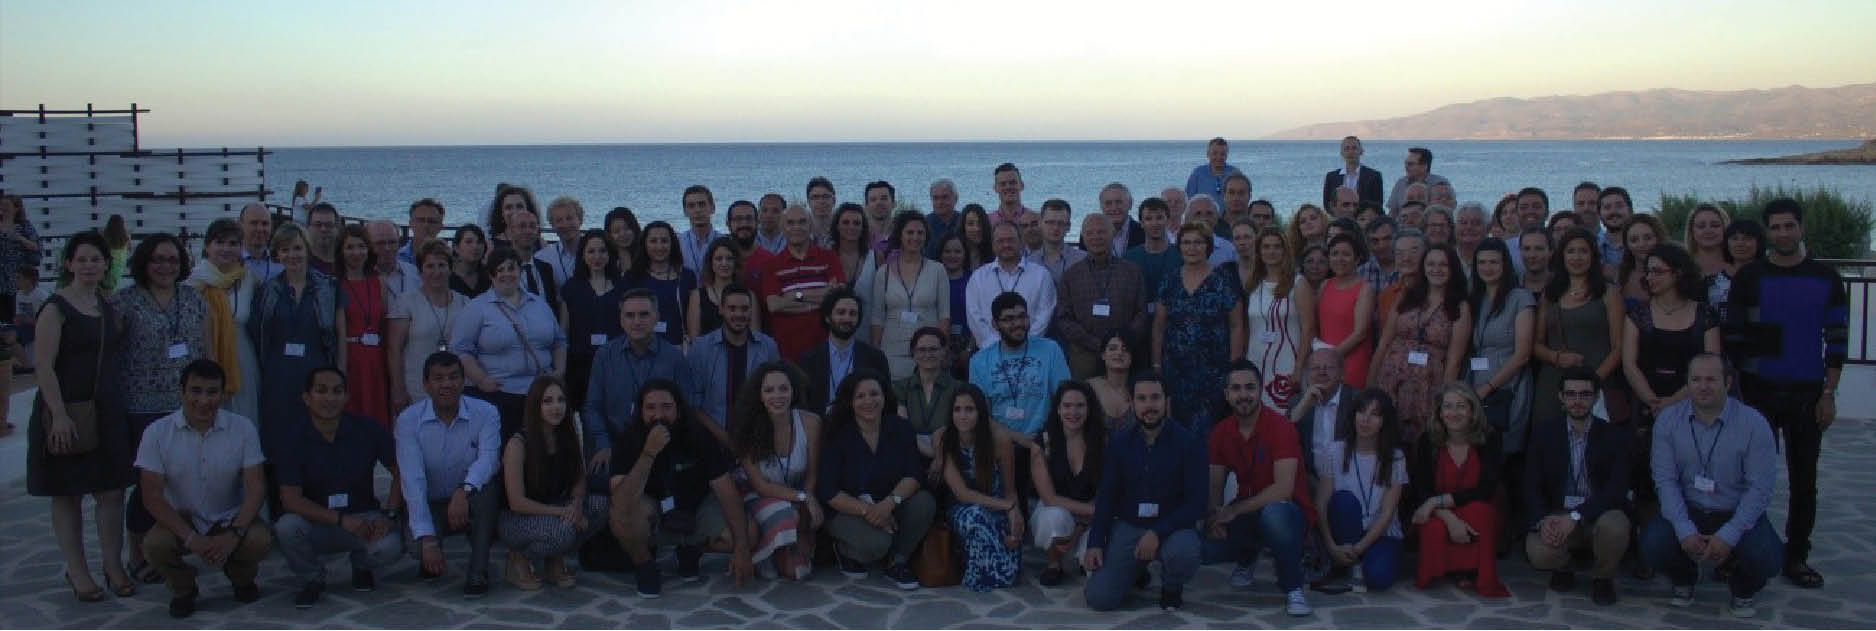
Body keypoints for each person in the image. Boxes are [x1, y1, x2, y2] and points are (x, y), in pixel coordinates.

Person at [1723, 199, 1845, 590]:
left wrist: (1829, 393)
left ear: (1801, 228)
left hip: (1807, 392)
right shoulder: (1751, 278)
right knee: (1745, 477)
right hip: (1757, 392)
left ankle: (1797, 555)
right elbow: (1735, 338)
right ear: (1767, 233)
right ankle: (1740, 550)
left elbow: (1837, 340)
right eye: (1775, 228)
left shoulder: (1826, 278)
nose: (1782, 234)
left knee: (1803, 478)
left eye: (1789, 226)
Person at [30, 230, 137, 602]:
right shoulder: (56, 308)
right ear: (68, 264)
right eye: (82, 259)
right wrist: (58, 415)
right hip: (67, 408)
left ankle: (113, 565)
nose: (90, 265)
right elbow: (43, 366)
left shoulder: (105, 304)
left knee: (111, 491)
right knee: (68, 493)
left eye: (96, 259)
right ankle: (77, 571)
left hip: (106, 408)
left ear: (106, 264)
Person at [136, 360, 271, 618]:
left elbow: (255, 487)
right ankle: (183, 589)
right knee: (155, 545)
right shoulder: (156, 433)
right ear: (182, 391)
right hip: (182, 518)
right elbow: (152, 496)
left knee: (259, 540)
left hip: (228, 515)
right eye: (196, 391)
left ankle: (241, 578)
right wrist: (191, 538)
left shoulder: (242, 428)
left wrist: (234, 534)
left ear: (223, 393)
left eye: (212, 392)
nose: (204, 400)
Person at [111, 233, 209, 580]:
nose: (166, 266)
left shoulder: (193, 298)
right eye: (158, 260)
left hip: (187, 406)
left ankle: (173, 546)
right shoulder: (124, 302)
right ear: (144, 263)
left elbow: (204, 346)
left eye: (172, 259)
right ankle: (137, 553)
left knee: (181, 480)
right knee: (147, 483)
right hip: (142, 407)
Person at [607, 378, 758, 596]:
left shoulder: (698, 435)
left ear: (678, 409)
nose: (658, 415)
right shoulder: (628, 439)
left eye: (666, 407)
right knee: (621, 516)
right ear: (640, 411)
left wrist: (742, 548)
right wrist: (648, 453)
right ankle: (645, 565)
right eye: (650, 408)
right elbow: (620, 501)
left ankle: (691, 548)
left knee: (749, 533)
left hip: (697, 509)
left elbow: (727, 492)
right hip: (652, 513)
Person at [276, 366, 404, 608]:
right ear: (306, 397)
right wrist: (340, 520)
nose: (329, 398)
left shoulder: (368, 428)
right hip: (319, 522)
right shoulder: (292, 437)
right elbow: (290, 500)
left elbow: (401, 470)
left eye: (337, 391)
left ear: (346, 397)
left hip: (364, 518)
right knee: (286, 527)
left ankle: (362, 565)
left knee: (391, 546)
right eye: (321, 391)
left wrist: (388, 514)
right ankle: (312, 578)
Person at [1082, 372, 1205, 612]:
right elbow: (1107, 496)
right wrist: (1095, 543)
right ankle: (1135, 570)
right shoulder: (1118, 444)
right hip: (1130, 524)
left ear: (1166, 401)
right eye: (1142, 399)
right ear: (1132, 403)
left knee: (1184, 552)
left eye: (1155, 398)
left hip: (1173, 525)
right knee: (1100, 599)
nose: (1149, 406)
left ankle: (1171, 586)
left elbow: (1197, 503)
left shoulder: (1189, 443)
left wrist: (1157, 532)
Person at [1206, 362, 1315, 616]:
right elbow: (1215, 485)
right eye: (1236, 388)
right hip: (1249, 510)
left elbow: (1284, 489)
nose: (1243, 395)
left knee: (1273, 514)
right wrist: (1215, 518)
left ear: (1260, 391)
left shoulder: (1281, 427)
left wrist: (1234, 511)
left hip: (1289, 513)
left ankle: (1293, 588)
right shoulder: (1220, 433)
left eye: (1249, 387)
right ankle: (1247, 558)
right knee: (1205, 547)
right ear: (1226, 395)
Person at [396, 351, 503, 598]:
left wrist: (464, 490)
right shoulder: (408, 420)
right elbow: (412, 480)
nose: (447, 384)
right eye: (438, 378)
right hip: (431, 502)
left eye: (454, 377)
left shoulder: (486, 412)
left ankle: (478, 571)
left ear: (464, 381)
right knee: (416, 546)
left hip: (468, 498)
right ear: (425, 385)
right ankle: (432, 549)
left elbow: (489, 460)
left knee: (487, 492)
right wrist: (427, 538)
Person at [1524, 370, 1632, 606]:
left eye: (1585, 394)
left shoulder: (1614, 436)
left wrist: (1577, 515)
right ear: (1561, 397)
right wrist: (1543, 521)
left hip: (1599, 512)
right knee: (1538, 553)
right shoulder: (1544, 433)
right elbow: (1532, 484)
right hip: (1559, 512)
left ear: (1595, 398)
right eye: (1571, 394)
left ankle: (1603, 577)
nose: (1577, 401)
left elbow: (1616, 489)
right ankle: (1565, 568)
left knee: (1616, 526)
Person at [499, 376, 606, 591]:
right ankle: (518, 557)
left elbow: (579, 478)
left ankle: (554, 559)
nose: (556, 407)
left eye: (561, 400)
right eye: (547, 401)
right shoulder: (518, 444)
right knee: (564, 531)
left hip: (558, 508)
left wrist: (575, 505)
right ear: (535, 405)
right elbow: (517, 502)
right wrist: (562, 512)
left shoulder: (567, 436)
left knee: (601, 505)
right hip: (519, 517)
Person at [249, 224, 346, 461]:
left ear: (307, 249)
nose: (292, 255)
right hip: (277, 378)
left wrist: (341, 374)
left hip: (317, 374)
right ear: (277, 254)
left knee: (316, 438)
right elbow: (257, 335)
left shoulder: (328, 287)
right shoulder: (267, 290)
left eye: (297, 248)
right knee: (277, 440)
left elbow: (341, 336)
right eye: (285, 250)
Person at [450, 246, 567, 438]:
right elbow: (460, 349)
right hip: (499, 393)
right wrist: (481, 379)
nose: (506, 274)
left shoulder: (539, 304)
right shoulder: (477, 307)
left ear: (519, 271)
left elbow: (559, 341)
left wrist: (559, 371)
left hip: (539, 393)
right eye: (500, 270)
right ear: (491, 275)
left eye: (511, 268)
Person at [586, 289, 707, 473]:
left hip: (665, 448)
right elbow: (593, 406)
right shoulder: (605, 357)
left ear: (656, 317)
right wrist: (603, 444)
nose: (637, 321)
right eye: (630, 315)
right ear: (621, 319)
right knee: (598, 479)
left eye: (644, 314)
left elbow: (687, 407)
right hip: (616, 447)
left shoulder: (675, 359)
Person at [1409, 384, 1509, 597]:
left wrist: (1438, 501)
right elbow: (1422, 488)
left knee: (1480, 512)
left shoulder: (1489, 438)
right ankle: (1447, 569)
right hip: (1438, 510)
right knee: (1433, 526)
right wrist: (1447, 516)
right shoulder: (1429, 440)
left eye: (1461, 406)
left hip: (1476, 504)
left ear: (1473, 411)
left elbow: (1486, 489)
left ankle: (1474, 571)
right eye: (1448, 407)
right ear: (1440, 412)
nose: (1453, 413)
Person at [727, 363, 823, 581]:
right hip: (755, 494)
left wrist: (808, 502)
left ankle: (782, 544)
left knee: (796, 572)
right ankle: (769, 547)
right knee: (788, 514)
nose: (777, 396)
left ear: (793, 391)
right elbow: (761, 485)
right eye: (769, 390)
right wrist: (802, 497)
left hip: (796, 495)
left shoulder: (811, 422)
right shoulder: (746, 427)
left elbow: (812, 475)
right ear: (759, 395)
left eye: (783, 389)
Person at [1312, 388, 1408, 593]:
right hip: (1346, 528)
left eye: (1374, 414)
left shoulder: (1395, 457)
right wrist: (1330, 545)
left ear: (1385, 421)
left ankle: (1354, 561)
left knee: (1378, 579)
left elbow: (1387, 512)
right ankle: (1347, 562)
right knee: (1343, 501)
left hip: (1382, 534)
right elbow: (1321, 504)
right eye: (1362, 412)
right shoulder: (1335, 450)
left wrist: (1360, 548)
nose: (1365, 420)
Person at [1371, 243, 1471, 440]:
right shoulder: (1405, 296)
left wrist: (1444, 402)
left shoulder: (1460, 307)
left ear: (1453, 269)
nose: (1436, 270)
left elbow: (1454, 360)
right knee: (1386, 439)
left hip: (1429, 388)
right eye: (1431, 264)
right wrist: (1371, 383)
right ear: (1423, 268)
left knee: (1422, 445)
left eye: (1443, 265)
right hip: (1391, 380)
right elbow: (1383, 343)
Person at [1153, 223, 1244, 429]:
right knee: (1177, 430)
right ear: (1179, 246)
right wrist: (1156, 365)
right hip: (1176, 372)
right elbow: (1159, 327)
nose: (1191, 248)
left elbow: (1237, 325)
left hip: (1215, 371)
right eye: (1186, 242)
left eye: (1197, 242)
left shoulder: (1224, 280)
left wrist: (1233, 367)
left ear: (1208, 246)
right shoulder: (1170, 280)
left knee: (1212, 430)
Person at [1532, 229, 1626, 425]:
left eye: (1583, 251)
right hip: (1553, 386)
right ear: (1562, 256)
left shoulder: (1609, 293)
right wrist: (1557, 357)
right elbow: (1536, 344)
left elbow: (1619, 347)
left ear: (1593, 256)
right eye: (1571, 251)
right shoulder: (1550, 294)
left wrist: (1590, 383)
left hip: (1596, 383)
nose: (1577, 257)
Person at [938, 384, 1023, 591]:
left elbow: (1010, 490)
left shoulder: (999, 440)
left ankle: (986, 568)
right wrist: (1007, 506)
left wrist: (1015, 517)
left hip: (997, 507)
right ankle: (979, 575)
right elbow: (962, 494)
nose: (963, 416)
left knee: (1010, 551)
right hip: (962, 509)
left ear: (981, 412)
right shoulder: (943, 439)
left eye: (969, 409)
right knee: (977, 517)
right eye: (957, 410)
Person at [1623, 242, 1722, 418]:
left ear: (1678, 272)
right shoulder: (1637, 315)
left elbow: (1712, 364)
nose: (1650, 277)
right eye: (1648, 271)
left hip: (1696, 404)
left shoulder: (1705, 314)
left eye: (1658, 271)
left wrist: (1673, 401)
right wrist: (1653, 402)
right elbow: (1630, 365)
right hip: (1647, 406)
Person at [187, 218, 264, 423]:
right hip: (203, 357)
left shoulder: (250, 279)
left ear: (241, 247)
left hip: (243, 360)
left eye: (233, 243)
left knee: (243, 418)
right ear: (207, 246)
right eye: (219, 242)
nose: (226, 249)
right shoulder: (193, 283)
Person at [1030, 381, 1106, 586]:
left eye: (1080, 406)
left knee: (1095, 570)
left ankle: (1084, 558)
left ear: (1089, 409)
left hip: (1092, 512)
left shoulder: (1102, 441)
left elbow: (1106, 491)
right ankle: (1054, 563)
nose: (1073, 412)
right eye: (1067, 406)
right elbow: (1049, 498)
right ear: (1058, 409)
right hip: (1060, 508)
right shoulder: (1043, 443)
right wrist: (1093, 510)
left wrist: (1083, 524)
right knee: (1053, 517)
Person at [1053, 214, 1148, 379]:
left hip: (1124, 352)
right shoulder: (1071, 275)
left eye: (1102, 232)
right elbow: (1063, 318)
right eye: (1090, 233)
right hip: (1084, 354)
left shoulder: (1132, 272)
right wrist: (1095, 343)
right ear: (1082, 236)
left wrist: (1121, 342)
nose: (1096, 237)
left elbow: (1141, 313)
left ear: (1112, 234)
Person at [969, 291, 1071, 442]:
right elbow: (981, 414)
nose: (1018, 324)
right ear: (995, 324)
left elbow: (1064, 398)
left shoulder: (1050, 350)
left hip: (1045, 439)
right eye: (1009, 319)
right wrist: (1021, 440)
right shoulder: (979, 361)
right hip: (1000, 442)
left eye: (1022, 316)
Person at [1466, 238, 1536, 452]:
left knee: (1503, 451)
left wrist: (1488, 388)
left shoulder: (1520, 298)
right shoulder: (1473, 299)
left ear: (1505, 264)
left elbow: (1522, 354)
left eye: (1493, 262)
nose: (1487, 268)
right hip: (1474, 384)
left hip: (1508, 387)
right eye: (1482, 262)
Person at [388, 241, 469, 414]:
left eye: (442, 265)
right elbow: (394, 349)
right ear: (420, 270)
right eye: (430, 266)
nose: (436, 272)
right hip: (416, 389)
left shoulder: (465, 303)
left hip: (455, 389)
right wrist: (397, 388)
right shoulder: (405, 302)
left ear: (450, 268)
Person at [759, 205, 846, 361]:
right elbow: (775, 305)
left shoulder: (828, 258)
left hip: (826, 348)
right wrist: (818, 304)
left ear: (810, 226)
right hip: (787, 350)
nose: (796, 227)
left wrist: (795, 295)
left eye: (802, 222)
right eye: (790, 223)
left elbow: (838, 297)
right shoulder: (772, 265)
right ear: (783, 228)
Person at [870, 212, 949, 378]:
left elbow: (944, 315)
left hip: (929, 351)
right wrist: (875, 352)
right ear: (900, 235)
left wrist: (943, 351)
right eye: (910, 232)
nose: (915, 237)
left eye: (920, 233)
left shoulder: (937, 270)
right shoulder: (883, 273)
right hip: (891, 351)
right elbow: (877, 317)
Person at [689, 285, 779, 431]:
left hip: (757, 436)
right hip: (711, 438)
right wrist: (725, 440)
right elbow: (693, 403)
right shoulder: (701, 349)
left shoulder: (768, 347)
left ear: (751, 311)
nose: (739, 314)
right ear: (721, 310)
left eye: (744, 309)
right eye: (732, 308)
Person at [1243, 228, 1313, 410]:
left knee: (1285, 413)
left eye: (1277, 246)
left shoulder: (1298, 283)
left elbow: (1308, 328)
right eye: (1266, 247)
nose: (1271, 251)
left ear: (1285, 250)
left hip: (1287, 362)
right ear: (1259, 251)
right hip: (1256, 359)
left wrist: (1299, 367)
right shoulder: (1252, 284)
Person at [965, 221, 1055, 348]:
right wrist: (997, 347)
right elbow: (974, 317)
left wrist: (1023, 345)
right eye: (1000, 241)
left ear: (1021, 242)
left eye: (1011, 240)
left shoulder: (1041, 275)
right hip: (990, 352)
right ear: (993, 245)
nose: (1006, 245)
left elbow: (1044, 315)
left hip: (1031, 350)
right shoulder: (978, 278)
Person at [801, 285, 890, 414]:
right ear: (827, 317)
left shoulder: (876, 358)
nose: (847, 318)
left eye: (852, 313)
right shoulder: (809, 359)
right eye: (841, 312)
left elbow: (886, 400)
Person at [336, 225, 392, 427]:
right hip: (351, 358)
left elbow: (384, 326)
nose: (356, 253)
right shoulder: (336, 284)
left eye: (361, 246)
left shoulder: (380, 283)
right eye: (350, 247)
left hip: (376, 358)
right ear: (341, 252)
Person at [1317, 234, 1375, 388]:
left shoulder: (1365, 288)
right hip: (1323, 364)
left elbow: (1360, 333)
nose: (1340, 259)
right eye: (1335, 254)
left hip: (1350, 364)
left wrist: (1330, 357)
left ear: (1357, 259)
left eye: (1346, 254)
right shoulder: (1324, 285)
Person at [893, 327, 960, 459]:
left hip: (950, 454)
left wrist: (941, 457)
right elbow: (904, 429)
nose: (928, 355)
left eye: (933, 349)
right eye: (922, 350)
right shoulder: (900, 387)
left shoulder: (959, 388)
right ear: (913, 353)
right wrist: (934, 456)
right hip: (910, 453)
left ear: (943, 352)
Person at [626, 221, 694, 346]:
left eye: (664, 241)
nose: (659, 246)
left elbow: (692, 321)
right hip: (641, 349)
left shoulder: (687, 277)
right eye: (653, 241)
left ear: (672, 244)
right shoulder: (633, 277)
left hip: (677, 350)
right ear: (645, 244)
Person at [1290, 348, 1358, 469]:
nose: (1322, 372)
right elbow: (1283, 440)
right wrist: (1302, 407)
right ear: (1308, 374)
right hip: (1311, 481)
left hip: (1348, 478)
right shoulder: (1297, 402)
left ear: (1342, 374)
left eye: (1330, 368)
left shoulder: (1357, 401)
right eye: (1315, 368)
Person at [1124, 198, 1180, 317]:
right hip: (1139, 320)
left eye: (1159, 218)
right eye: (1148, 219)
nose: (1155, 223)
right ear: (1141, 223)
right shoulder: (1129, 257)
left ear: (1167, 220)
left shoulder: (1180, 255)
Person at [687, 237, 748, 340]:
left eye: (729, 259)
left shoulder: (749, 296)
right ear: (711, 263)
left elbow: (756, 339)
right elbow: (694, 340)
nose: (724, 263)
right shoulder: (697, 296)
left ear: (735, 262)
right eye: (719, 259)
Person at [1710, 218, 1765, 324]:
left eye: (1747, 238)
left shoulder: (1770, 278)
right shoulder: (1712, 282)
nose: (1740, 243)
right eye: (1734, 239)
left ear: (1759, 243)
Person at [936, 234, 976, 376]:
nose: (952, 256)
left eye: (957, 251)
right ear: (940, 254)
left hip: (969, 347)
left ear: (965, 254)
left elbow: (979, 316)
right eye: (947, 251)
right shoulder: (932, 280)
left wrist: (969, 349)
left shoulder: (974, 280)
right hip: (939, 349)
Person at [1085, 330, 1138, 428]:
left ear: (1132, 356)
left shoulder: (1142, 389)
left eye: (1125, 349)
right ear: (1103, 355)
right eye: (1113, 348)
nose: (1119, 353)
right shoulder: (1089, 388)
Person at [1026, 199, 1087, 281]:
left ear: (1068, 226)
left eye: (1061, 223)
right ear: (1040, 223)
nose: (1055, 228)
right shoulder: (1029, 262)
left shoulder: (1082, 260)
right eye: (1050, 222)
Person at [1082, 182, 1147, 258]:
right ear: (1101, 207)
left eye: (1119, 202)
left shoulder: (1144, 232)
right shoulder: (1089, 234)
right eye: (1108, 203)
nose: (1114, 208)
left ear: (1130, 204)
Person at [1616, 213, 1668, 306]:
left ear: (1658, 238)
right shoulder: (1621, 278)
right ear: (1626, 245)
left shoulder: (1673, 274)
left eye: (1647, 238)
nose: (1642, 244)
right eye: (1634, 240)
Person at [1321, 136, 1383, 209]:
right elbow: (1327, 204)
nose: (1350, 152)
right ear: (1342, 153)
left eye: (1354, 148)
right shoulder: (1331, 177)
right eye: (1347, 148)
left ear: (1361, 151)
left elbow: (1377, 204)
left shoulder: (1374, 176)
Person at [365, 220, 421, 300]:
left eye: (392, 242)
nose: (387, 248)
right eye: (380, 243)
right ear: (367, 245)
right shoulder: (359, 277)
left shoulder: (415, 274)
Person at [675, 185, 722, 276]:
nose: (697, 210)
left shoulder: (724, 241)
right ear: (685, 211)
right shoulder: (678, 243)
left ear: (713, 208)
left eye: (702, 204)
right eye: (691, 206)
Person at [539, 196, 588, 283]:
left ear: (580, 220)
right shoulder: (543, 258)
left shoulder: (597, 252)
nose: (565, 224)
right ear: (552, 225)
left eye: (569, 218)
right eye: (559, 220)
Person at [1386, 147, 1449, 214]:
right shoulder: (1401, 183)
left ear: (1424, 166)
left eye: (1410, 164)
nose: (1406, 167)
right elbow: (1392, 212)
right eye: (1405, 163)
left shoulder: (1440, 184)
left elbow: (1446, 212)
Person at [1184, 137, 1245, 203]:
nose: (1218, 157)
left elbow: (1243, 198)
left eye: (1222, 154)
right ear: (1208, 154)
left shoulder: (1235, 174)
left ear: (1226, 155)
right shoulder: (1198, 174)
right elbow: (1188, 200)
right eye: (1215, 153)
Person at [236, 202, 282, 284]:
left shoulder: (281, 263)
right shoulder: (230, 260)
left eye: (265, 224)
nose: (260, 229)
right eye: (254, 223)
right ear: (240, 225)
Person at [397, 198, 447, 265]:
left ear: (441, 227)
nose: (426, 225)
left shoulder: (449, 259)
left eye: (432, 221)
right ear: (410, 223)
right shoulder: (397, 258)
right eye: (420, 220)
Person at [449, 223, 492, 298]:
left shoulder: (490, 275)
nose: (475, 246)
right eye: (468, 242)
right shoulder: (446, 276)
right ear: (456, 247)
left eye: (479, 242)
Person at [1598, 187, 1636, 269]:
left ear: (1630, 210)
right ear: (1599, 214)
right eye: (1607, 207)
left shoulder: (1644, 246)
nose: (1613, 211)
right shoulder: (1592, 246)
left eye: (1619, 206)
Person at [304, 202, 341, 276]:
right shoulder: (300, 264)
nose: (323, 229)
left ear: (337, 228)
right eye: (318, 225)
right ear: (308, 228)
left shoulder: (347, 263)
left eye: (329, 225)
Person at [603, 207, 642, 275]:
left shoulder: (645, 255)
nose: (623, 234)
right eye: (616, 231)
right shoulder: (605, 259)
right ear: (609, 235)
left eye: (627, 228)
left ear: (634, 228)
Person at [957, 204, 995, 271]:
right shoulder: (955, 254)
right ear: (963, 227)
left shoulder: (994, 253)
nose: (976, 229)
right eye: (970, 224)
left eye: (980, 223)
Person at [1519, 228, 1554, 296]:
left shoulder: (1564, 285)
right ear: (1520, 252)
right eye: (1526, 249)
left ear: (1550, 252)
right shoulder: (1510, 286)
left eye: (1539, 249)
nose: (1532, 255)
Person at [805, 176, 839, 245]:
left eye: (825, 196)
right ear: (808, 202)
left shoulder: (844, 231)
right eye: (815, 197)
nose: (821, 201)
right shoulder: (802, 232)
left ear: (834, 200)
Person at [1454, 202, 1488, 267]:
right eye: (1463, 223)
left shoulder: (1497, 258)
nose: (1469, 227)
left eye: (1476, 223)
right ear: (1455, 227)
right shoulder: (1445, 258)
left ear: (1487, 228)